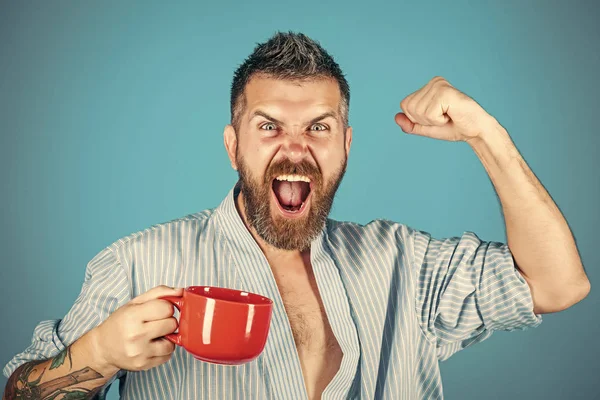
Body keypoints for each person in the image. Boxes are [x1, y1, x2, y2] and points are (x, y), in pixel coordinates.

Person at [2, 31, 590, 400]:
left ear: (346, 145)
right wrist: (98, 356)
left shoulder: (402, 265)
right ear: (233, 145)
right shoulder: (136, 263)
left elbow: (558, 285)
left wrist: (487, 135)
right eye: (268, 127)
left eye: (319, 127)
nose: (295, 147)